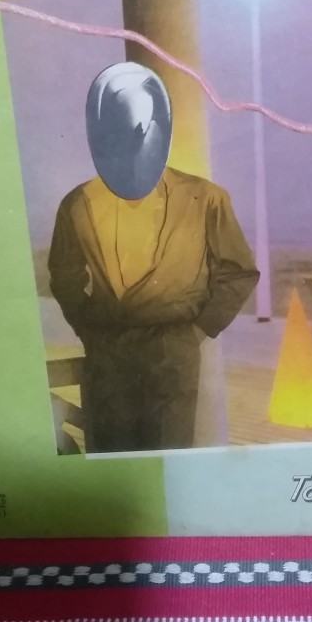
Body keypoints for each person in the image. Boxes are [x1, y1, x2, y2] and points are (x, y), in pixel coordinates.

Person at [48, 63, 259, 453]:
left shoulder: (206, 199)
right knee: (113, 456)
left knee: (169, 456)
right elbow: (64, 276)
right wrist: (90, 330)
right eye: (120, 128)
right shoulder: (77, 204)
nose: (134, 139)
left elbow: (238, 271)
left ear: (161, 127)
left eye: (142, 128)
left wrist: (196, 331)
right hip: (108, 352)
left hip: (172, 352)